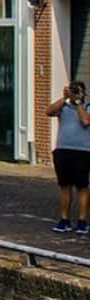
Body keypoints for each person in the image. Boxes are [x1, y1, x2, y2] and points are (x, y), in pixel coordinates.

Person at [48, 80, 90, 233]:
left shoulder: (87, 107)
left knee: (82, 187)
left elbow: (86, 121)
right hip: (63, 151)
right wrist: (64, 98)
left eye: (77, 91)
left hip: (83, 152)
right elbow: (48, 111)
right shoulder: (63, 107)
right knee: (64, 186)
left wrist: (78, 102)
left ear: (83, 93)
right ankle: (64, 219)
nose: (74, 93)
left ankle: (82, 221)